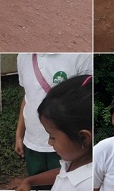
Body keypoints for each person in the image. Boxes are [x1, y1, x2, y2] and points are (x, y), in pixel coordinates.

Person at [15, 54, 93, 183]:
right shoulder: (23, 57)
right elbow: (27, 97)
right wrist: (19, 134)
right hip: (33, 143)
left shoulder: (81, 56)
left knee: (68, 183)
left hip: (67, 142)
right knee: (37, 186)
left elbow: (87, 100)